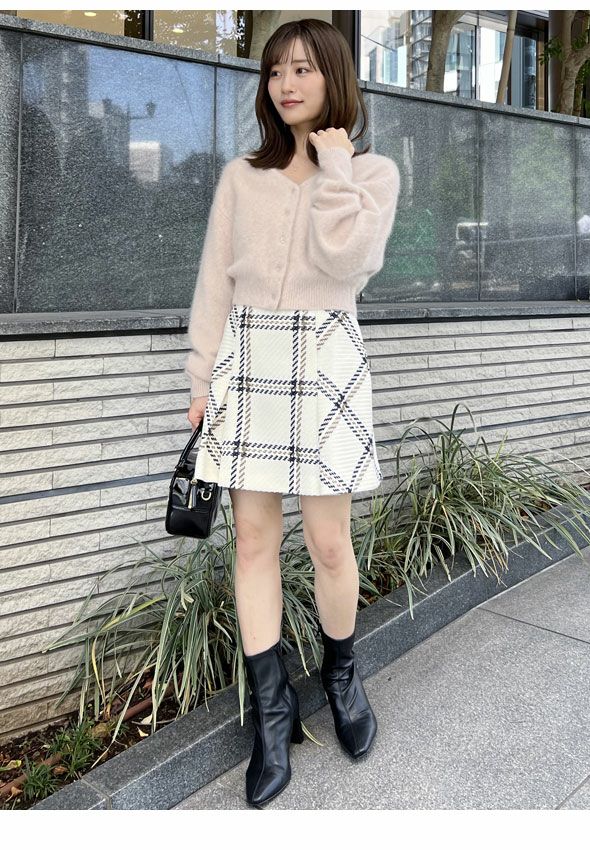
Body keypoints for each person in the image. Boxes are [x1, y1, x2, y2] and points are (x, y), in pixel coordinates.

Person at [184, 18, 400, 808]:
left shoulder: (372, 174)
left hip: (326, 359)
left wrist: (335, 165)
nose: (286, 84)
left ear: (333, 77)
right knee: (252, 540)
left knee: (330, 543)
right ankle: (272, 717)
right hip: (250, 357)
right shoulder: (241, 177)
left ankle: (342, 675)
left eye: (303, 68)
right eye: (276, 71)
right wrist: (201, 376)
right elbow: (215, 280)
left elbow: (350, 261)